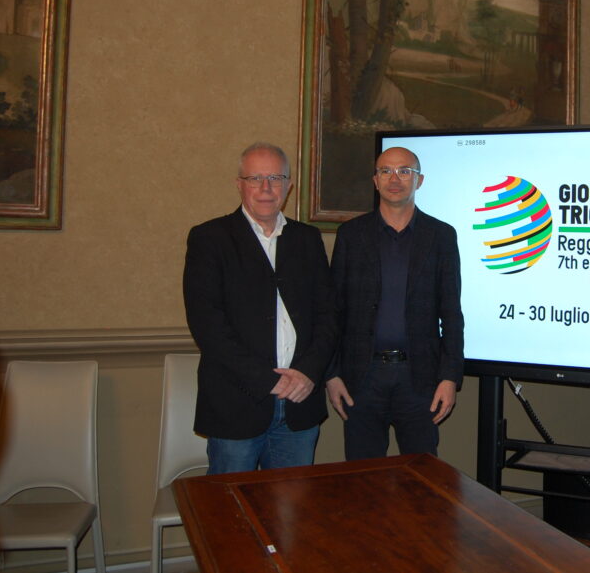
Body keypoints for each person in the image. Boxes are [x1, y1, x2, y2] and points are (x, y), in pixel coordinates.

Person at [183, 142, 335, 474]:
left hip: (300, 403)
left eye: (276, 178)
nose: (266, 188)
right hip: (235, 404)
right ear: (239, 184)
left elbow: (328, 316)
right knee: (231, 505)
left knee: (293, 505)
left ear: (288, 185)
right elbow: (207, 324)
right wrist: (267, 380)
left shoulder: (307, 239)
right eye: (255, 178)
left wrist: (309, 373)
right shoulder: (210, 238)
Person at [325, 146, 464, 459]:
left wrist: (450, 377)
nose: (394, 178)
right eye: (385, 171)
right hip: (362, 378)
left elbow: (452, 313)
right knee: (363, 477)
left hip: (420, 379)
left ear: (419, 180)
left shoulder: (441, 236)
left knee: (422, 476)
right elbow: (334, 311)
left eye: (404, 171)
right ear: (375, 180)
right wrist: (332, 375)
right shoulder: (351, 235)